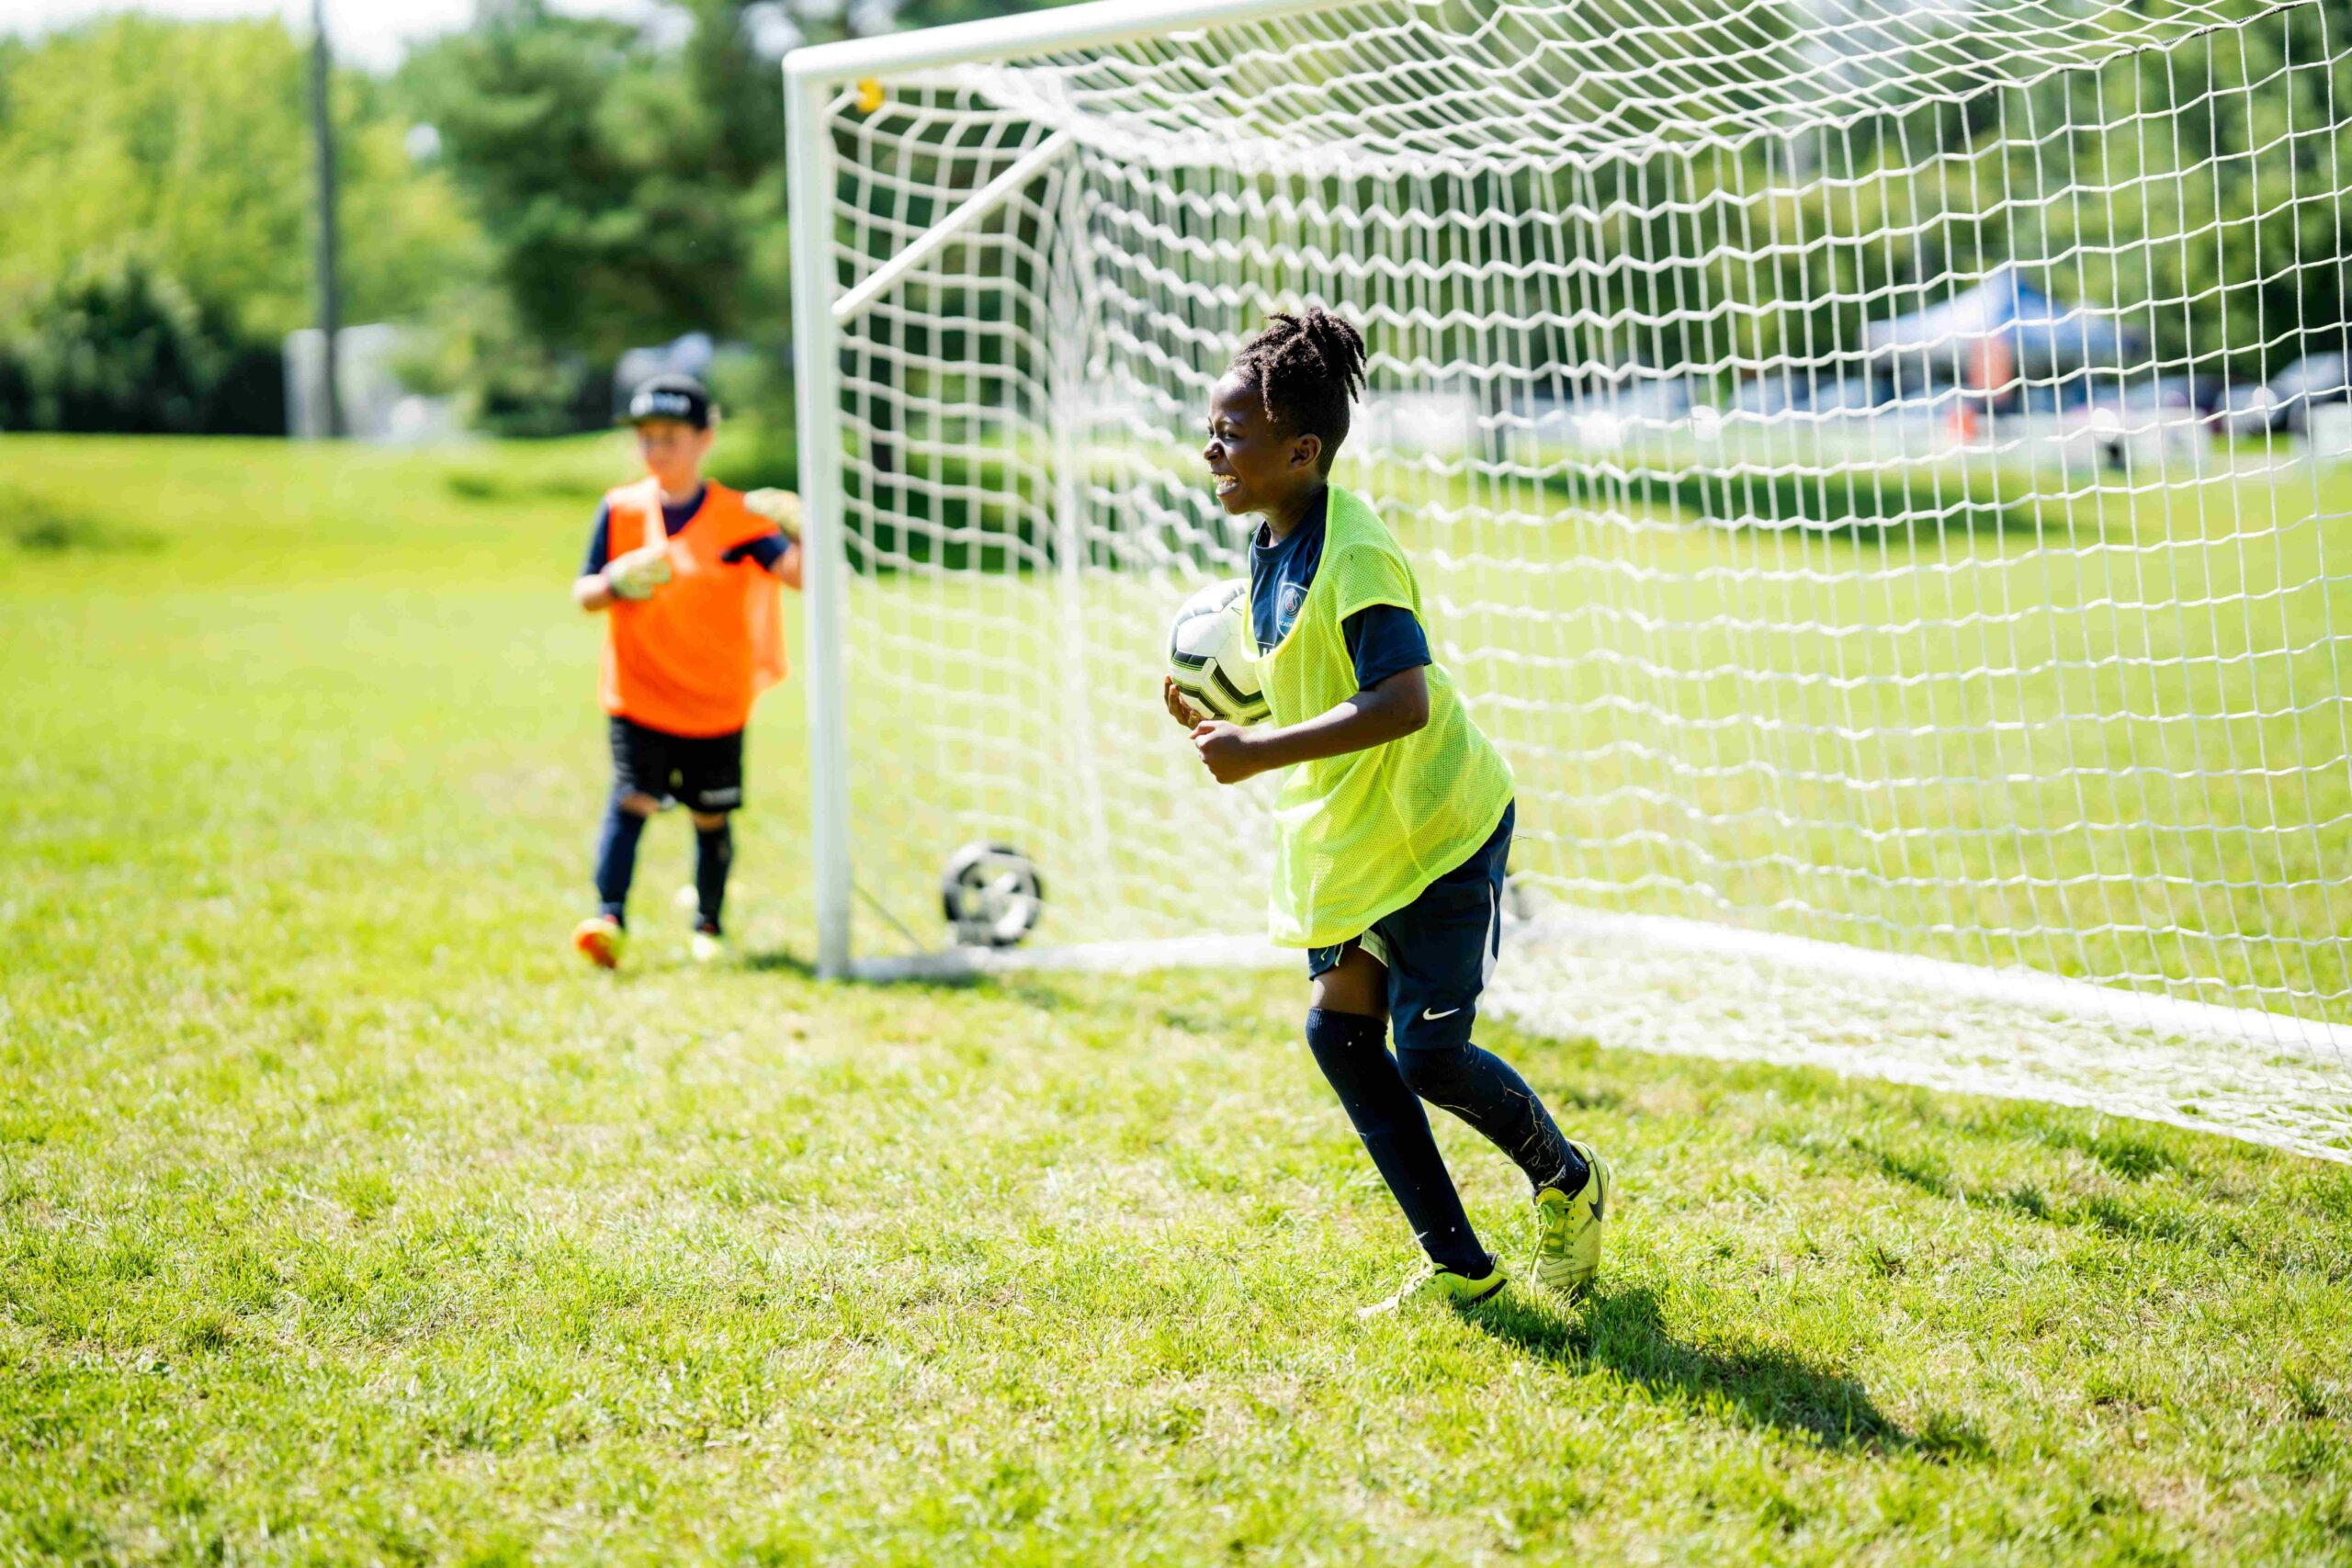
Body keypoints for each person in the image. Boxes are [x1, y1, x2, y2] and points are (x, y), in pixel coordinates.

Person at [1163, 309, 1610, 1315]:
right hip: (1363, 832)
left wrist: (1256, 751)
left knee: (1432, 1053)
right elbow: (1311, 679)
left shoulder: (1354, 551)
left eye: (1230, 434)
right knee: (1339, 1036)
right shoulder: (1272, 541)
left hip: (1441, 828)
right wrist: (1223, 716)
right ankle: (1463, 1270)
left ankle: (1569, 1180)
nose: (1212, 450)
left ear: (1300, 449)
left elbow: (1400, 700)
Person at [571, 373, 802, 969]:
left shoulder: (738, 517)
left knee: (711, 814)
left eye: (670, 436)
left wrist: (807, 528)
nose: (656, 450)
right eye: (646, 437)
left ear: (705, 437)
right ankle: (609, 917)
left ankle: (710, 924)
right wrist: (616, 580)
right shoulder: (620, 509)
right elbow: (586, 592)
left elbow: (800, 576)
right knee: (633, 799)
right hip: (639, 692)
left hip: (715, 700)